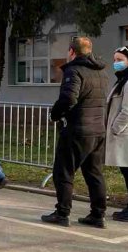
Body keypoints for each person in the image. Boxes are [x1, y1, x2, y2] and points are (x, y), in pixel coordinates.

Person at [42, 37, 109, 227]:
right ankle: (98, 214)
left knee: (63, 172)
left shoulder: (73, 70)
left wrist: (55, 114)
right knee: (94, 173)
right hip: (98, 130)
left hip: (78, 129)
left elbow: (69, 98)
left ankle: (62, 213)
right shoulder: (102, 71)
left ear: (72, 52)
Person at [106, 46, 128, 223]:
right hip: (124, 134)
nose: (116, 63)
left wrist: (114, 128)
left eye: (120, 60)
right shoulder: (124, 80)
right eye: (114, 60)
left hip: (127, 134)